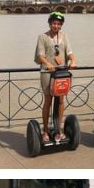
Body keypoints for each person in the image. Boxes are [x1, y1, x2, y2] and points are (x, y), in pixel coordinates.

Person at [34, 11, 76, 143]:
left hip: (61, 73)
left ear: (61, 25)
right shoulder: (42, 37)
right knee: (48, 100)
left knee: (61, 100)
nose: (56, 26)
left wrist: (72, 61)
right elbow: (40, 55)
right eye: (54, 23)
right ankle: (45, 130)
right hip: (47, 73)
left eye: (58, 24)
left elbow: (69, 52)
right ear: (49, 23)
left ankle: (59, 128)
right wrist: (47, 64)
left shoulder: (64, 36)